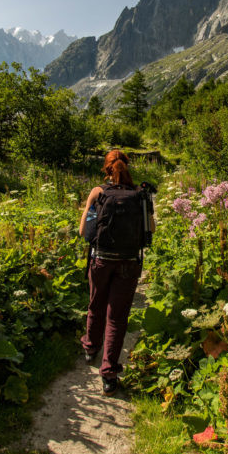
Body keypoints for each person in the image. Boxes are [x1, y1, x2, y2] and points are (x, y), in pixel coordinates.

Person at [78, 149, 148, 396]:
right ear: (127, 167)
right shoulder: (141, 195)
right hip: (129, 262)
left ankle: (90, 347)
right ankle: (109, 375)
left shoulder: (98, 192)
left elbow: (83, 231)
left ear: (106, 169)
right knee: (117, 317)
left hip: (100, 260)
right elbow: (150, 232)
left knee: (96, 304)